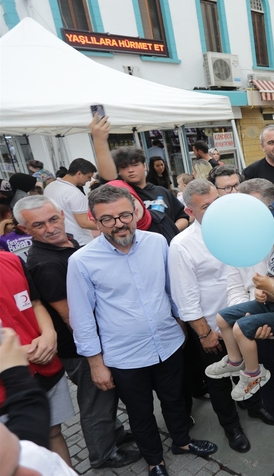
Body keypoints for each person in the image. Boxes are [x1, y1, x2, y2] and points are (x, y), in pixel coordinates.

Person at [66, 185, 217, 476]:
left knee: (175, 400)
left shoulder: (157, 242)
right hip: (124, 356)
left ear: (136, 213)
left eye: (124, 215)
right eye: (108, 219)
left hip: (169, 343)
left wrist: (181, 326)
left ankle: (182, 442)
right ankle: (154, 461)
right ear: (95, 221)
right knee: (141, 412)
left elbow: (172, 289)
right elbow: (82, 319)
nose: (119, 223)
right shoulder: (82, 261)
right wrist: (96, 365)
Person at [14, 195, 140, 469]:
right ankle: (103, 454)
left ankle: (114, 435)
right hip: (79, 348)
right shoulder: (45, 262)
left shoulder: (66, 244)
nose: (50, 228)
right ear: (24, 230)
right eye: (39, 225)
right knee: (97, 400)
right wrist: (97, 353)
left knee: (105, 398)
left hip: (93, 340)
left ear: (62, 214)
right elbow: (71, 315)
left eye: (53, 219)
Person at [168, 179, 254, 453]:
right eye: (206, 206)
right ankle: (231, 426)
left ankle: (254, 406)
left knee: (251, 368)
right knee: (218, 380)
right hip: (212, 326)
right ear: (190, 212)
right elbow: (185, 296)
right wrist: (204, 333)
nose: (215, 209)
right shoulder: (182, 245)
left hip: (245, 317)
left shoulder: (235, 229)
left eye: (217, 202)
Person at [206, 199, 274, 400]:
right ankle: (235, 360)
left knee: (241, 327)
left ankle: (254, 374)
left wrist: (271, 287)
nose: (267, 238)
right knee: (222, 318)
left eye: (273, 233)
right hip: (272, 306)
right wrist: (263, 293)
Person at [0, 250, 73, 466]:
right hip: (6, 389)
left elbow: (35, 303)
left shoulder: (11, 260)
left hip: (45, 366)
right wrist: (16, 354)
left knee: (53, 431)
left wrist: (49, 334)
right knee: (15, 454)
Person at [42, 159, 97, 245]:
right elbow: (84, 223)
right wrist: (105, 226)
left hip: (61, 238)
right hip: (80, 241)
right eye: (88, 177)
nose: (89, 180)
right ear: (79, 173)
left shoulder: (50, 187)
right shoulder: (74, 193)